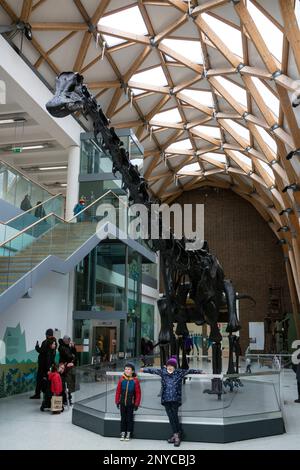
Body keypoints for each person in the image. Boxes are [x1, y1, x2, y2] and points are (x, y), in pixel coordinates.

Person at [141, 356, 203, 447]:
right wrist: (144, 370)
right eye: (168, 365)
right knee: (171, 417)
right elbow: (153, 370)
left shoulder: (179, 373)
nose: (170, 367)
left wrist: (199, 371)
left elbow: (189, 371)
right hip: (166, 399)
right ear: (166, 366)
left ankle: (176, 435)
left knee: (174, 417)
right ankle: (177, 434)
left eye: (172, 365)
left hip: (175, 399)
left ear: (175, 366)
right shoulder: (163, 372)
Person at [115, 362, 141, 441]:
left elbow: (138, 393)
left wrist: (136, 404)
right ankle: (122, 432)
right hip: (122, 403)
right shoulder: (121, 380)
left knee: (129, 419)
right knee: (123, 418)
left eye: (129, 369)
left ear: (132, 371)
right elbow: (118, 391)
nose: (127, 370)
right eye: (125, 369)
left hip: (131, 404)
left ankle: (129, 433)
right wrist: (117, 401)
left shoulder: (135, 381)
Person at [30, 329, 57, 399]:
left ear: (47, 335)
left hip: (43, 365)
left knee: (39, 379)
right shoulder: (55, 342)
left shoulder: (45, 342)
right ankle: (47, 395)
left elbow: (42, 351)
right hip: (49, 365)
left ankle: (38, 394)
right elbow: (51, 355)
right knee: (47, 380)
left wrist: (36, 347)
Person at [58, 335, 77, 405]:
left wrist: (73, 348)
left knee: (68, 383)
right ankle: (65, 399)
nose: (69, 341)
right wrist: (72, 357)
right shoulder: (62, 347)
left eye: (69, 340)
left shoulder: (67, 346)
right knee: (65, 383)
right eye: (68, 340)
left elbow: (74, 355)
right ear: (65, 340)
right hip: (64, 368)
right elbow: (69, 356)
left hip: (68, 367)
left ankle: (67, 398)